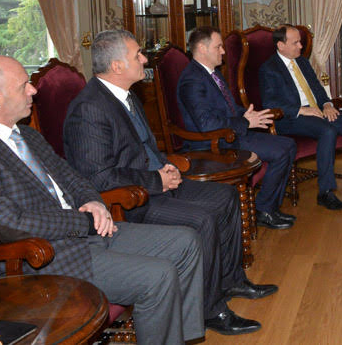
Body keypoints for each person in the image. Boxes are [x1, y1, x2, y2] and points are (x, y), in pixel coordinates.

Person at [63, 30, 275, 336]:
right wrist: (155, 180)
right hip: (132, 199)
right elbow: (97, 176)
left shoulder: (125, 94)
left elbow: (142, 148)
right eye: (137, 54)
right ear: (117, 66)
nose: (144, 59)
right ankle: (210, 310)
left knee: (226, 197)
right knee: (202, 220)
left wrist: (166, 166)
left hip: (155, 182)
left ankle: (230, 281)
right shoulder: (89, 109)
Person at [0, 55, 205, 344]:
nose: (33, 90)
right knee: (159, 275)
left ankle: (183, 338)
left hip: (91, 231)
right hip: (46, 256)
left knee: (186, 241)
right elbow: (11, 223)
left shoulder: (27, 136)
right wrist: (83, 221)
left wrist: (94, 202)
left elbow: (73, 178)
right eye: (23, 86)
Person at [178, 26, 297, 230]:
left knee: (288, 145)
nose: (223, 51)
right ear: (202, 49)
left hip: (231, 134)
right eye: (218, 47)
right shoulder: (192, 80)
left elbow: (229, 109)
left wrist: (250, 114)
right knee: (282, 150)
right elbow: (206, 123)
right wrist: (246, 122)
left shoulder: (212, 73)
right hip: (213, 144)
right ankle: (265, 210)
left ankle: (268, 207)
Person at [259, 25, 342, 210]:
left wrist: (327, 104)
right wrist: (301, 110)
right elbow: (270, 103)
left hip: (317, 111)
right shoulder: (269, 69)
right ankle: (325, 192)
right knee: (327, 130)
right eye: (295, 43)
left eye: (300, 42)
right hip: (291, 118)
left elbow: (318, 90)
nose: (301, 46)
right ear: (281, 45)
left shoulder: (302, 62)